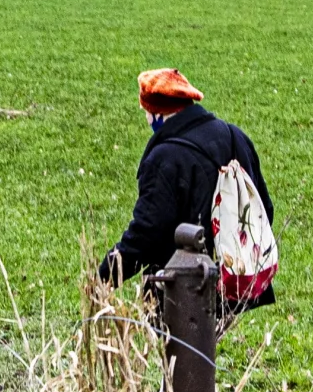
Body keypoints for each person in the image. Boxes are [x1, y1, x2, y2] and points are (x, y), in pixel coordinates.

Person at [102, 68, 273, 297]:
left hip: (182, 288)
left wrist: (104, 277)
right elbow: (264, 208)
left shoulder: (163, 159)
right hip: (234, 280)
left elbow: (146, 234)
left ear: (157, 113)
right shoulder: (235, 136)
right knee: (214, 334)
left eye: (146, 111)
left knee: (176, 335)